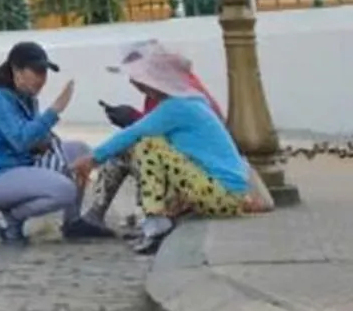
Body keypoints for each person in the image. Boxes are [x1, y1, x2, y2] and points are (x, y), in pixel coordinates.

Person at [72, 43, 270, 254]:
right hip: (223, 191)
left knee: (147, 144)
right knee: (141, 146)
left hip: (223, 194)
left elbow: (134, 132)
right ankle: (151, 218)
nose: (135, 83)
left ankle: (156, 223)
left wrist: (92, 158)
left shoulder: (177, 107)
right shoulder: (188, 101)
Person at [0, 40, 110, 245]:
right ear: (16, 70)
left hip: (24, 164)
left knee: (80, 152)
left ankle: (73, 222)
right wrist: (56, 109)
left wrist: (47, 140)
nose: (42, 79)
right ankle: (13, 219)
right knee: (64, 190)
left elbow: (35, 137)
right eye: (36, 72)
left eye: (44, 72)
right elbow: (21, 139)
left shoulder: (26, 98)